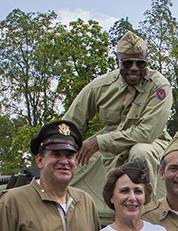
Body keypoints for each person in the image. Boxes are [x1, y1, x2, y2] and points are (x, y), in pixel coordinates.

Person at [63, 30, 172, 182]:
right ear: (117, 62)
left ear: (147, 61)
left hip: (152, 144)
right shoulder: (100, 87)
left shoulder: (159, 86)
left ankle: (146, 204)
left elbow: (146, 134)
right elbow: (70, 123)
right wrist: (59, 150)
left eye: (140, 63)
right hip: (113, 153)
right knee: (115, 193)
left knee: (140, 153)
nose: (134, 68)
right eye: (127, 63)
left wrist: (99, 142)